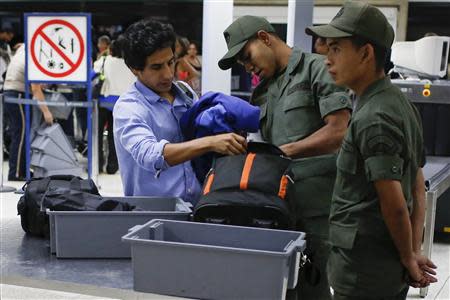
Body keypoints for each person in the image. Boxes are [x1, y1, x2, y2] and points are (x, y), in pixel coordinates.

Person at [305, 1, 438, 299]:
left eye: (337, 48)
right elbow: (417, 187)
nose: (327, 57)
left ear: (366, 53)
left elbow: (394, 203)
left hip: (365, 274)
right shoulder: (398, 103)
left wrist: (408, 257)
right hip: (384, 268)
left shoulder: (374, 116)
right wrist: (412, 252)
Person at [218, 15, 352, 299]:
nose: (247, 66)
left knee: (315, 289)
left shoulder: (318, 68)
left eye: (246, 55)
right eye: (242, 63)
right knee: (282, 292)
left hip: (320, 210)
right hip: (279, 209)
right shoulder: (262, 92)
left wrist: (282, 153)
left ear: (265, 38)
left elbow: (339, 132)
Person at [114, 19, 247, 205]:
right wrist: (210, 143)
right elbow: (150, 155)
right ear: (135, 69)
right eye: (157, 67)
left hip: (197, 205)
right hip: (154, 216)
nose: (168, 74)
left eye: (170, 62)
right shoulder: (129, 108)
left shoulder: (184, 92)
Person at [3, 44, 52, 181]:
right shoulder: (33, 58)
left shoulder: (22, 51)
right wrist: (46, 112)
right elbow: (36, 89)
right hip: (18, 95)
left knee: (20, 134)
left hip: (11, 93)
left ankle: (21, 170)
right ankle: (16, 173)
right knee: (21, 134)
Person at [98, 37, 136, 174]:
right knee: (115, 137)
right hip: (123, 105)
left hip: (104, 102)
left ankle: (98, 163)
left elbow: (93, 73)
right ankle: (112, 166)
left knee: (98, 135)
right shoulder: (130, 64)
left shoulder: (104, 60)